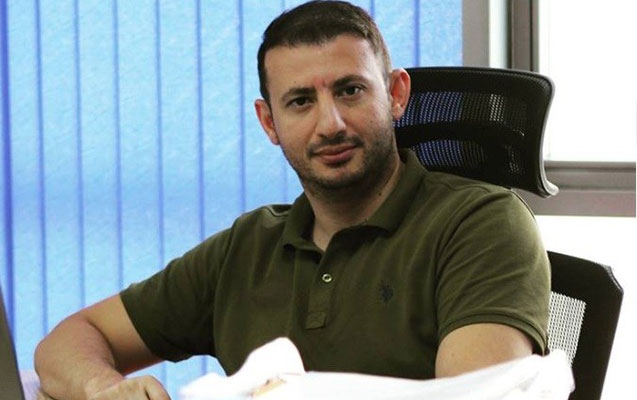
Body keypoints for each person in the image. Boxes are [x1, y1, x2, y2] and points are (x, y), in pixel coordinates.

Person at [34, 1, 550, 399]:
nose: (331, 124)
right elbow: (70, 340)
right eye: (301, 101)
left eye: (350, 90)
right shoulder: (246, 247)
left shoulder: (481, 225)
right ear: (269, 122)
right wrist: (103, 388)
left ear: (395, 94)